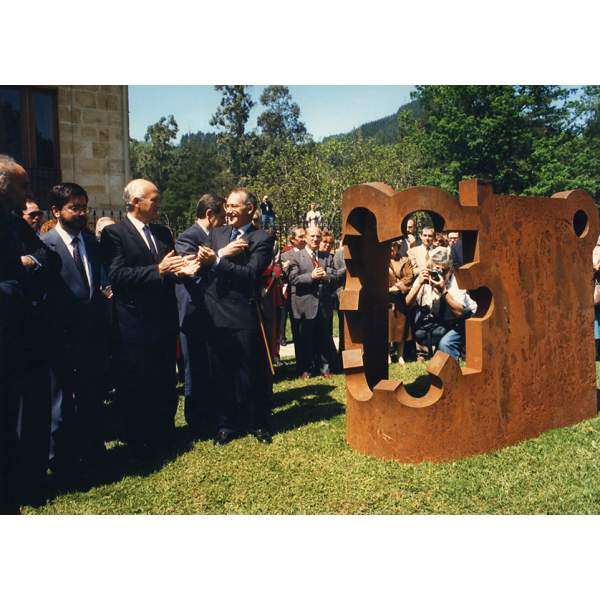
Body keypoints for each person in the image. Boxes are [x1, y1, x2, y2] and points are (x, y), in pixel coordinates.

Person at [100, 179, 195, 454]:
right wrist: (159, 270)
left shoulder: (163, 232)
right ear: (134, 202)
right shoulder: (115, 234)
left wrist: (184, 268)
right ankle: (139, 437)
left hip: (164, 318)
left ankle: (165, 432)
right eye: (153, 199)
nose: (158, 205)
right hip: (134, 320)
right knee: (138, 381)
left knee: (165, 378)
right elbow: (117, 277)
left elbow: (170, 266)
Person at [196, 187, 275, 445]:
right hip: (215, 311)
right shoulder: (216, 234)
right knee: (220, 370)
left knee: (250, 369)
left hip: (243, 312)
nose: (227, 210)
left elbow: (251, 274)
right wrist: (216, 257)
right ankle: (226, 424)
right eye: (226, 205)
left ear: (249, 209)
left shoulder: (261, 238)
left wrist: (217, 263)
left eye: (233, 206)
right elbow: (202, 268)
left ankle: (259, 422)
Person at [42, 183, 109, 480]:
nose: (82, 213)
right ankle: (60, 461)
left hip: (92, 336)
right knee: (61, 403)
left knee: (91, 396)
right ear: (56, 211)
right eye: (75, 208)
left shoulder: (91, 243)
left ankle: (93, 452)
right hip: (61, 337)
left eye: (85, 207)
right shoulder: (44, 245)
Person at [175, 193, 226, 434]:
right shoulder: (188, 237)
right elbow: (190, 272)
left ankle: (213, 412)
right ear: (210, 214)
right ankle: (196, 419)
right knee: (194, 366)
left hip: (213, 311)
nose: (225, 222)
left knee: (210, 364)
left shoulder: (215, 237)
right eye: (223, 217)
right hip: (194, 312)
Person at [406, 248, 477, 362]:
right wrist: (419, 284)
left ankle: (453, 374)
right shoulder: (425, 277)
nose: (438, 275)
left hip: (466, 319)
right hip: (444, 319)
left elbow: (459, 313)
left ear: (450, 270)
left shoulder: (456, 281)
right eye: (435, 270)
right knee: (422, 333)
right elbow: (406, 305)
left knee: (446, 343)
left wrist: (443, 291)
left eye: (443, 271)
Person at [288, 226, 340, 379]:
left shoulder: (327, 256)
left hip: (323, 305)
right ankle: (306, 369)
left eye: (318, 236)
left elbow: (335, 274)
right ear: (305, 238)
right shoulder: (296, 257)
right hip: (305, 305)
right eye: (312, 236)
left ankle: (326, 369)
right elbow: (293, 279)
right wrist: (311, 276)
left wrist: (326, 276)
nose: (316, 239)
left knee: (324, 337)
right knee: (306, 339)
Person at [279, 226, 307, 352]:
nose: (304, 239)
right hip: (294, 297)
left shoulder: (310, 251)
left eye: (304, 235)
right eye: (301, 236)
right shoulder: (286, 256)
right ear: (292, 239)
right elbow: (288, 277)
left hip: (310, 298)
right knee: (298, 330)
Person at [388, 241, 414, 364]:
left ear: (398, 247)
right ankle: (387, 355)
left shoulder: (405, 260)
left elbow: (410, 276)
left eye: (394, 245)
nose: (391, 248)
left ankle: (400, 356)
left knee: (401, 328)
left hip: (401, 298)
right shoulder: (382, 261)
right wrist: (388, 289)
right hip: (387, 299)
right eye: (389, 245)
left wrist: (398, 286)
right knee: (387, 328)